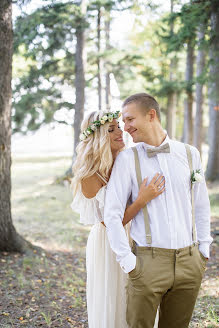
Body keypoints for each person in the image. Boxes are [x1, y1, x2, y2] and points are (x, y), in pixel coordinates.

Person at [103, 93, 213, 328]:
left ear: (151, 115)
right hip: (147, 263)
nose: (126, 128)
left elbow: (202, 205)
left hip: (190, 261)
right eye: (123, 122)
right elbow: (111, 215)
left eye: (130, 119)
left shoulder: (189, 153)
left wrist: (204, 250)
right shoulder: (127, 159)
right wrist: (128, 262)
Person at [70, 110, 164, 328]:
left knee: (143, 295)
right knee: (115, 295)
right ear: (98, 136)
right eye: (110, 129)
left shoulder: (128, 159)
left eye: (119, 127)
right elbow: (111, 222)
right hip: (109, 242)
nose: (120, 132)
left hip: (139, 233)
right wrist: (141, 200)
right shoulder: (90, 175)